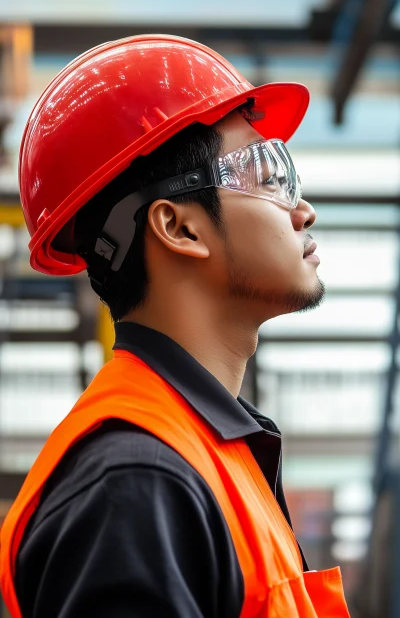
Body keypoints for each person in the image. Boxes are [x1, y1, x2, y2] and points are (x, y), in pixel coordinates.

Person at [0, 35, 350, 617]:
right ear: (179, 228)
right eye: (267, 176)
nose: (303, 211)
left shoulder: (202, 454)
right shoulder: (136, 486)